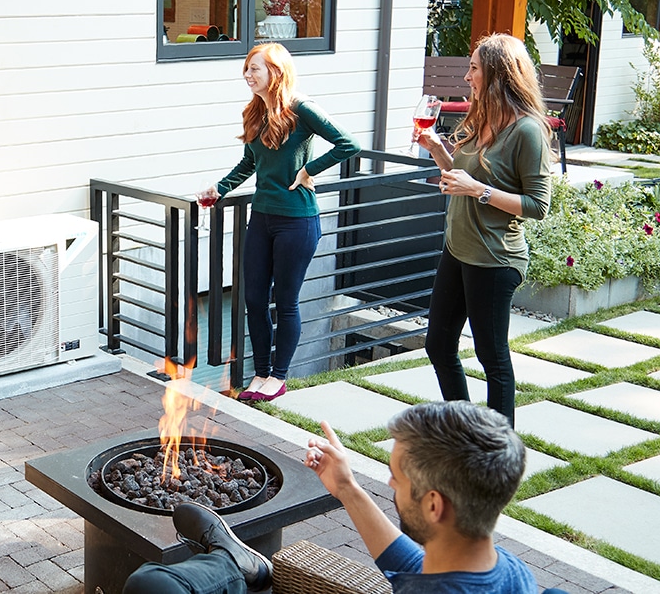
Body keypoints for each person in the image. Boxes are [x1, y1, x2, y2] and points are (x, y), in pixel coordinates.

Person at [125, 401, 559, 593]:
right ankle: (242, 566)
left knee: (150, 584)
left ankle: (237, 565)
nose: (389, 485)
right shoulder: (501, 571)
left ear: (433, 505)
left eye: (396, 478)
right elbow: (410, 569)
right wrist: (346, 488)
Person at [197, 43, 360, 402]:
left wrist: (307, 170)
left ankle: (279, 377)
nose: (248, 75)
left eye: (255, 69)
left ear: (277, 72)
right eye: (247, 69)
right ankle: (260, 373)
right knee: (254, 298)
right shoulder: (254, 112)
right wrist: (219, 189)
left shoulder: (302, 109)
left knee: (285, 301)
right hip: (262, 217)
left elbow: (348, 143)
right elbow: (248, 164)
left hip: (297, 222)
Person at [415, 34, 552, 427]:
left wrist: (479, 191)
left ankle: (499, 453)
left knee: (492, 358)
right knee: (439, 346)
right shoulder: (482, 119)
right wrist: (438, 150)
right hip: (457, 251)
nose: (467, 75)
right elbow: (460, 173)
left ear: (497, 73)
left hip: (494, 258)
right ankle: (465, 432)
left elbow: (537, 206)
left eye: (474, 67)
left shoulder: (527, 131)